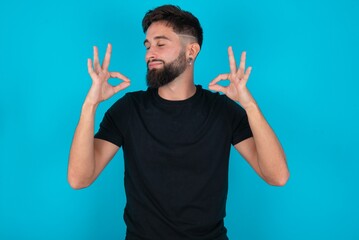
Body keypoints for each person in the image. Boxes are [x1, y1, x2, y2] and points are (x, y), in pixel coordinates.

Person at [68, 4, 289, 240]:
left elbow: (277, 176)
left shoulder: (222, 111)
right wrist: (90, 105)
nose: (149, 53)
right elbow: (80, 179)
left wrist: (250, 106)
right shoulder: (129, 110)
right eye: (147, 45)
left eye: (160, 44)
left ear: (191, 51)